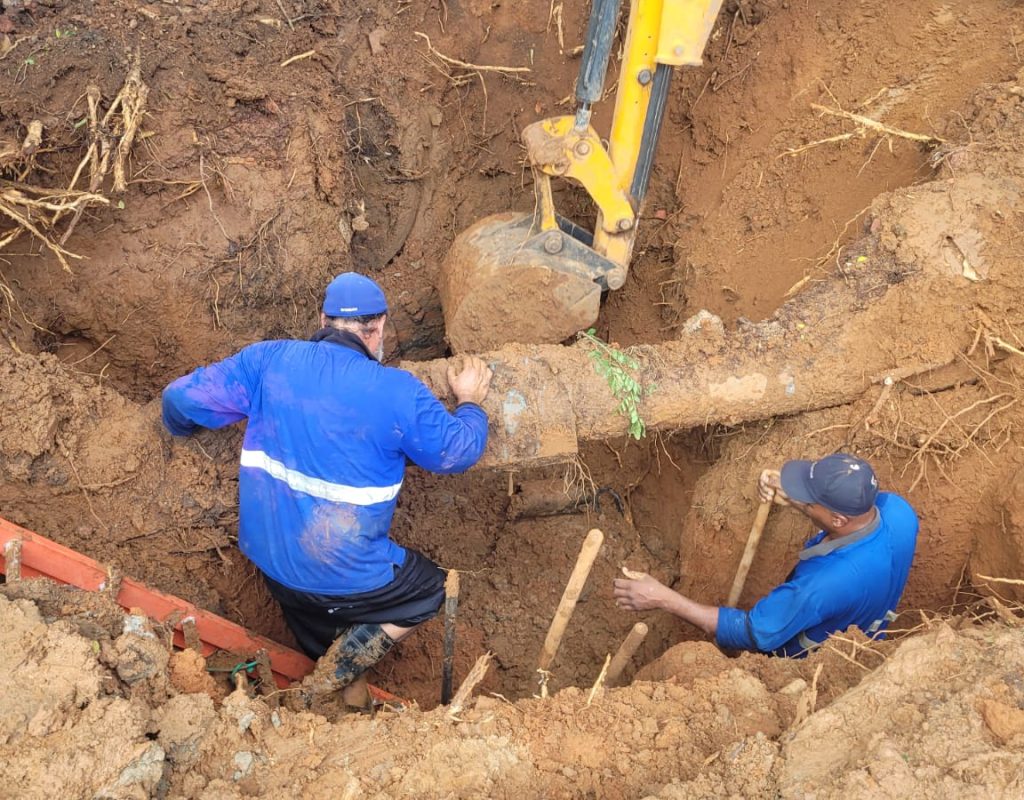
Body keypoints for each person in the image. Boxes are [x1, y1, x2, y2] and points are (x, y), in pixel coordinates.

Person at [162, 272, 493, 702]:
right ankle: (335, 673)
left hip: (274, 566)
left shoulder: (267, 361)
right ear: (379, 329)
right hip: (339, 573)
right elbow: (457, 450)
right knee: (430, 590)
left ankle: (336, 673)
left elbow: (180, 399)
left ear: (323, 318)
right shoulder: (396, 392)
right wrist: (470, 402)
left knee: (319, 616)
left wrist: (181, 428)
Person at [613, 454, 918, 656]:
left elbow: (752, 632)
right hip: (868, 623)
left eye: (810, 502)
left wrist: (662, 597)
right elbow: (839, 515)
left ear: (838, 520)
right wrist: (792, 496)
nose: (805, 503)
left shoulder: (822, 586)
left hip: (803, 660)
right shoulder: (899, 512)